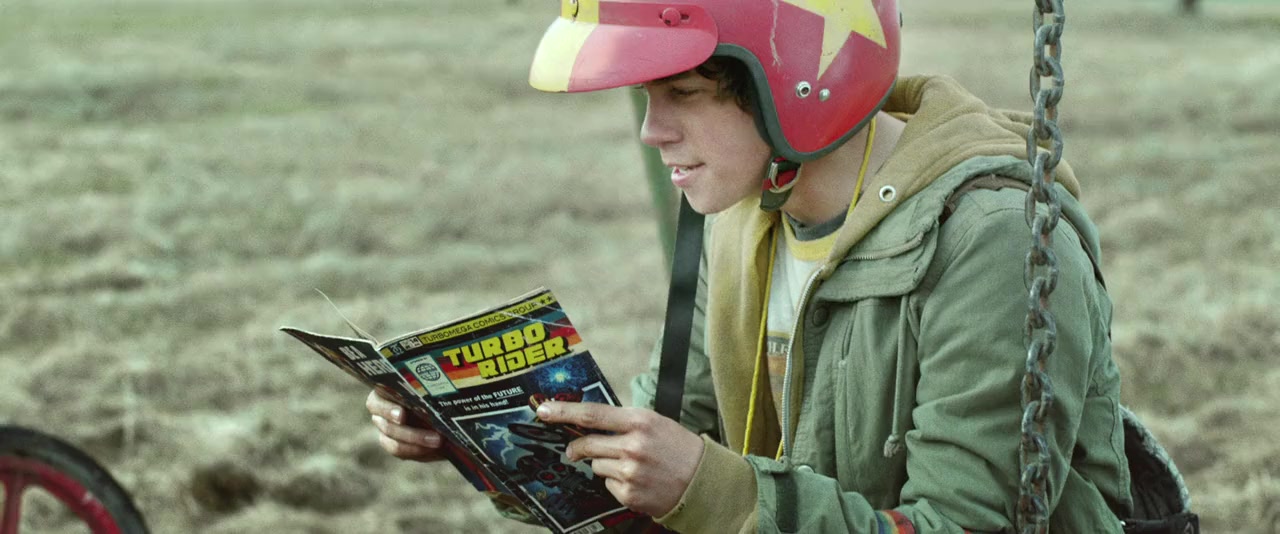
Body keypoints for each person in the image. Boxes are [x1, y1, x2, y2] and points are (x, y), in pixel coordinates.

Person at [366, 0, 1160, 531]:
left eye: (683, 93)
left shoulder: (991, 242)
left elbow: (963, 525)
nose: (652, 131)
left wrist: (710, 490)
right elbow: (669, 456)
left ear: (799, 85)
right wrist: (488, 441)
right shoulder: (742, 215)